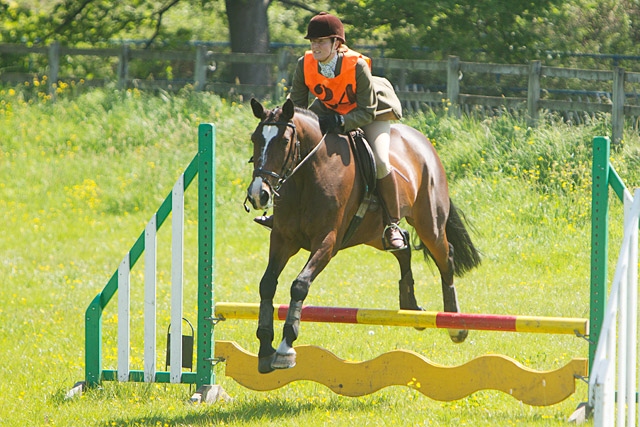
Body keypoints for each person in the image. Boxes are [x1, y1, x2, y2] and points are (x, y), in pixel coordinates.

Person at [256, 12, 407, 251]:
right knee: (296, 149)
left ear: (336, 43)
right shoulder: (304, 64)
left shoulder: (356, 65)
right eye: (312, 42)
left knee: (379, 161)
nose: (315, 47)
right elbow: (296, 107)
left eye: (321, 42)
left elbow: (367, 111)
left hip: (368, 114)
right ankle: (283, 215)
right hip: (330, 109)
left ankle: (392, 226)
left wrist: (340, 122)